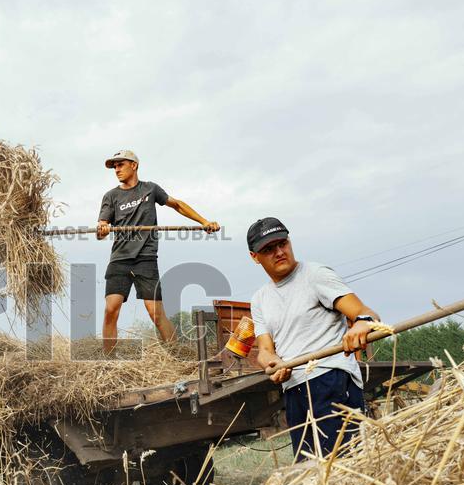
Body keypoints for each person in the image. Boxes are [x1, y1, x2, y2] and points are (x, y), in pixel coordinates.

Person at [248, 217, 380, 462]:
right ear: (254, 257)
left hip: (331, 379)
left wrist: (360, 325)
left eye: (282, 243)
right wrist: (272, 363)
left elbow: (366, 313)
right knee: (309, 472)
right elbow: (264, 351)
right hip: (294, 389)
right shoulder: (260, 299)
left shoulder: (315, 275)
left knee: (344, 466)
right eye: (268, 249)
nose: (279, 252)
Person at [98, 149, 220, 355]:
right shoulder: (111, 196)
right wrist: (102, 229)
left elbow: (178, 205)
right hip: (120, 259)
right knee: (111, 309)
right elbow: (101, 229)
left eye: (120, 165)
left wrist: (204, 222)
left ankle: (178, 357)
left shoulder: (150, 189)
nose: (116, 169)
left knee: (155, 312)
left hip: (145, 259)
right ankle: (108, 362)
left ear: (133, 165)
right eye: (114, 166)